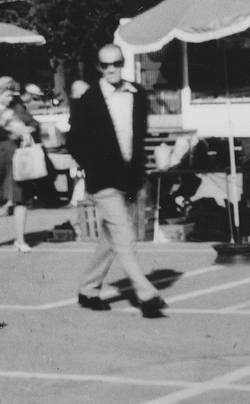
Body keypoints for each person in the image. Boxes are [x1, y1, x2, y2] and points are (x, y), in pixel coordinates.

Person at [66, 44, 167, 318]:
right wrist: (93, 165)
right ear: (98, 67)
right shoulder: (88, 99)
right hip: (103, 181)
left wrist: (141, 174)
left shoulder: (137, 93)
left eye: (117, 63)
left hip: (130, 178)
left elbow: (139, 137)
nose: (112, 69)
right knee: (125, 236)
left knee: (111, 238)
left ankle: (88, 289)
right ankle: (146, 294)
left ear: (123, 63)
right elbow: (73, 141)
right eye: (106, 64)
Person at [0, 76, 43, 252]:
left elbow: (34, 122)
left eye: (12, 95)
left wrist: (30, 128)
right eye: (7, 95)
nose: (10, 98)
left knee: (21, 198)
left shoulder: (17, 108)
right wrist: (2, 124)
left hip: (17, 160)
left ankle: (20, 239)